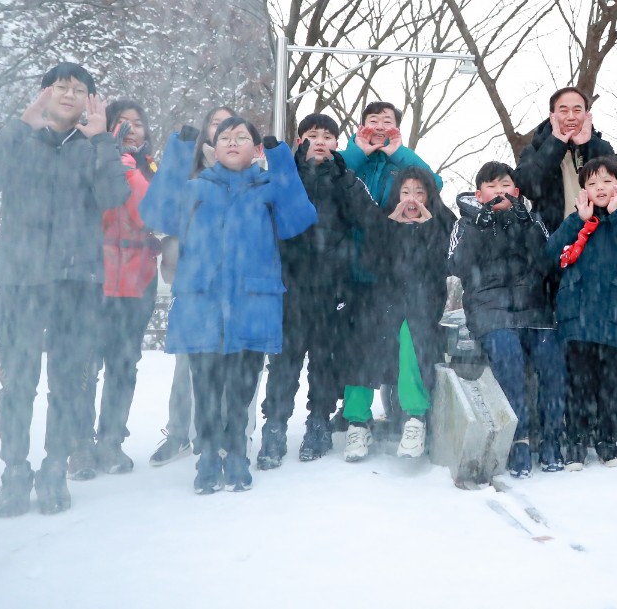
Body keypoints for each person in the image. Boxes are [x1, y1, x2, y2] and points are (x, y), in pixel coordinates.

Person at [0, 62, 130, 517]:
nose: (68, 93)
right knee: (16, 383)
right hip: (21, 278)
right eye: (60, 86)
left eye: (78, 89)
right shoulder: (20, 141)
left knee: (68, 384)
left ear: (89, 102)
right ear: (44, 93)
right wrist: (20, 122)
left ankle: (55, 467)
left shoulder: (94, 147)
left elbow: (114, 197)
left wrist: (100, 138)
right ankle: (14, 472)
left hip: (76, 281)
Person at [140, 117, 316, 494]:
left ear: (256, 150)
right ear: (212, 148)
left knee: (241, 388)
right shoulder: (196, 188)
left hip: (253, 304)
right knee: (205, 388)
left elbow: (297, 220)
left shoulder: (269, 189)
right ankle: (207, 459)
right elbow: (157, 214)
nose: (232, 142)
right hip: (202, 303)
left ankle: (235, 453)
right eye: (224, 137)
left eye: (242, 137)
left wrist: (281, 157)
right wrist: (177, 154)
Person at [256, 113, 385, 469]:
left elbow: (370, 221)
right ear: (301, 141)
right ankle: (276, 426)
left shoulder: (347, 180)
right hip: (291, 285)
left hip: (332, 286)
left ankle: (318, 423)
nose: (321, 142)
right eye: (314, 135)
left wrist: (344, 178)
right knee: (284, 362)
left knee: (326, 361)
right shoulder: (285, 176)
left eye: (329, 136)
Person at [448, 162, 565, 477]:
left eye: (505, 185)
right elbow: (458, 266)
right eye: (492, 185)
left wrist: (524, 224)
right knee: (508, 356)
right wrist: (482, 226)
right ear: (479, 193)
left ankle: (553, 438)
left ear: (517, 191)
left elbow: (548, 265)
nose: (500, 191)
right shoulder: (465, 225)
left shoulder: (533, 220)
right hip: (489, 310)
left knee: (552, 360)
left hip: (535, 309)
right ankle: (519, 440)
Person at [69, 99, 163, 480]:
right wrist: (111, 158)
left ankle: (111, 440)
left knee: (124, 364)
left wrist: (128, 167)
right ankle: (78, 445)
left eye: (137, 123)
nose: (130, 129)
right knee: (85, 363)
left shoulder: (151, 168)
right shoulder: (86, 159)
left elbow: (151, 214)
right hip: (97, 274)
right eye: (121, 123)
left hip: (139, 275)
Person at [545, 156, 617, 470]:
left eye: (607, 181)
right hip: (577, 315)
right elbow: (550, 253)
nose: (600, 188)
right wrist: (575, 221)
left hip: (616, 316)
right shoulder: (577, 220)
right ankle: (575, 442)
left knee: (611, 383)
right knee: (578, 382)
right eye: (592, 183)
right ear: (584, 190)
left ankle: (607, 440)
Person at [339, 167, 454, 463]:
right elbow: (369, 264)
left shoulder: (443, 223)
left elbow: (442, 268)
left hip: (422, 304)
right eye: (405, 193)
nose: (412, 200)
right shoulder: (384, 223)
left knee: (410, 333)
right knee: (364, 332)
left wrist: (427, 229)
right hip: (384, 302)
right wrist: (388, 226)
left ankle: (415, 418)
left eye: (419, 192)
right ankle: (356, 421)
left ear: (429, 196)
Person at [148, 105, 234, 467]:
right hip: (195, 284)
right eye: (214, 124)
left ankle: (224, 435)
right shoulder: (186, 174)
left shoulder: (245, 172)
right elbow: (159, 213)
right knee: (187, 365)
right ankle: (179, 433)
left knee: (230, 366)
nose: (220, 131)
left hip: (232, 286)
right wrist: (180, 151)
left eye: (228, 126)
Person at [515, 87, 617, 234]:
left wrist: (588, 146)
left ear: (587, 115)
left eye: (577, 110)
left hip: (598, 238)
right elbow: (528, 188)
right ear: (552, 117)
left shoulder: (601, 147)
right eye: (563, 111)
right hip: (553, 239)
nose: (571, 117)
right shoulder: (535, 150)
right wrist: (555, 145)